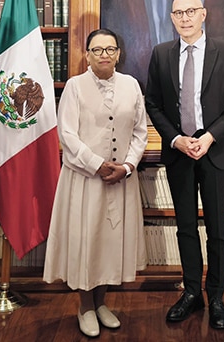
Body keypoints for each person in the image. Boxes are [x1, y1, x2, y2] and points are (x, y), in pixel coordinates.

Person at [144, 0, 224, 330]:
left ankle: (216, 297)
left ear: (203, 14)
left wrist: (209, 137)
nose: (185, 18)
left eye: (191, 11)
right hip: (180, 153)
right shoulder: (161, 54)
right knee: (186, 228)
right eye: (178, 13)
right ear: (172, 18)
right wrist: (176, 139)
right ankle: (191, 293)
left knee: (217, 230)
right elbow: (154, 104)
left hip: (214, 151)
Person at [42, 29, 148, 338]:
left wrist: (128, 165)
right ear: (87, 54)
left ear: (118, 54)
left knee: (110, 244)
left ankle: (101, 303)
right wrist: (97, 164)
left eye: (110, 49)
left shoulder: (131, 85)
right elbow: (68, 134)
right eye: (97, 49)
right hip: (86, 179)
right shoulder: (75, 87)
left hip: (121, 179)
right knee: (86, 241)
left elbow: (140, 132)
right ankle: (85, 306)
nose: (104, 54)